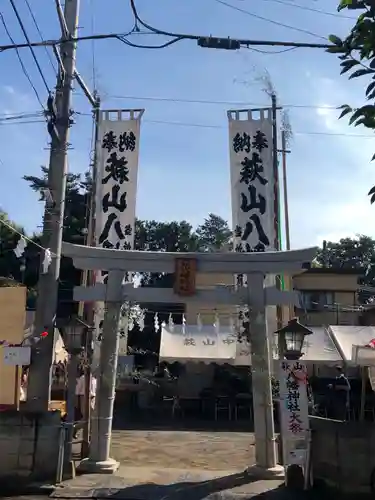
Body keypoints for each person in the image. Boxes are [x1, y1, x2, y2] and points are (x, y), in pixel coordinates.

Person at [73, 371, 97, 439]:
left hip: (93, 398)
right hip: (84, 398)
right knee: (88, 417)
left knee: (90, 418)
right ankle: (88, 434)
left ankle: (76, 428)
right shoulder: (83, 378)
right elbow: (77, 390)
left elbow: (95, 391)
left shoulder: (95, 379)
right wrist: (77, 402)